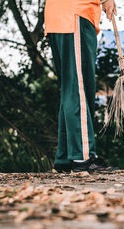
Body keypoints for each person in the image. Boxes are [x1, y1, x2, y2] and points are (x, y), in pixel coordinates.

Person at [45, 0, 117, 172]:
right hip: (75, 14)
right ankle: (83, 157)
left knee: (71, 90)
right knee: (78, 90)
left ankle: (66, 158)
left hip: (60, 17)